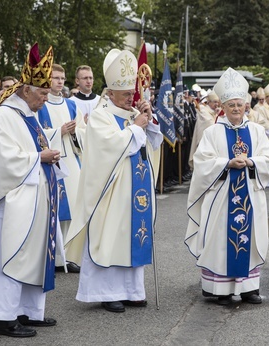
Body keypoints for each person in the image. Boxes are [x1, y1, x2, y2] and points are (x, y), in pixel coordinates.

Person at [0, 43, 60, 337]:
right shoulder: (4, 115)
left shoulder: (28, 114)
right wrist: (37, 158)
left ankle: (27, 310)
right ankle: (2, 318)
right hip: (9, 204)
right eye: (42, 94)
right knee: (7, 256)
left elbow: (31, 144)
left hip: (31, 199)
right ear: (26, 90)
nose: (46, 99)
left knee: (30, 257)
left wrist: (48, 150)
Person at [65, 49, 163, 313]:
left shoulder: (133, 113)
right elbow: (107, 147)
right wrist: (136, 127)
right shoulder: (101, 115)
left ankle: (133, 291)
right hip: (111, 190)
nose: (131, 98)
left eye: (132, 93)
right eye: (125, 95)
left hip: (136, 188)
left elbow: (153, 143)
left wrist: (148, 119)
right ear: (110, 93)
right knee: (111, 237)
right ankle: (106, 292)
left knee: (133, 234)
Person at [185, 67, 269, 305]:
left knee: (249, 238)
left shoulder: (256, 131)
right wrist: (226, 163)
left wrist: (250, 162)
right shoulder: (213, 132)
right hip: (222, 197)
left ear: (247, 105)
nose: (236, 109)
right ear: (223, 107)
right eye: (231, 105)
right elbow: (201, 162)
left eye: (240, 104)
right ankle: (219, 289)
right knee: (219, 240)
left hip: (250, 193)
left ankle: (249, 288)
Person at [37, 63, 86, 273]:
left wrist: (75, 133)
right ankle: (54, 256)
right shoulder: (41, 104)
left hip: (72, 162)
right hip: (52, 161)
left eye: (62, 78)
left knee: (74, 206)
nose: (59, 82)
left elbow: (84, 132)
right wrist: (60, 131)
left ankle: (69, 255)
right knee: (54, 210)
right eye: (55, 78)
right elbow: (37, 133)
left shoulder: (72, 105)